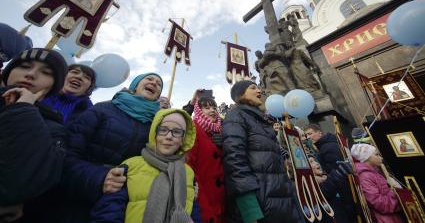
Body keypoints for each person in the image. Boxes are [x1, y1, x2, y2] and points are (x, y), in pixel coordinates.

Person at [63, 73, 163, 222]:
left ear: (157, 97)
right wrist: (99, 178)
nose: (154, 83)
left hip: (121, 207)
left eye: (159, 84)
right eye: (149, 79)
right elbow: (67, 154)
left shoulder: (156, 126)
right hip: (76, 199)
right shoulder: (103, 109)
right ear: (135, 86)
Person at [90, 108, 196, 222]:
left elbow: (193, 211)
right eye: (163, 130)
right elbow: (109, 210)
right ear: (154, 135)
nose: (169, 136)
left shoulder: (188, 173)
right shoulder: (131, 165)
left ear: (182, 140)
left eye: (177, 132)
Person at [0, 48, 68, 221]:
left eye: (46, 72)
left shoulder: (53, 129)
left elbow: (22, 184)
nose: (31, 74)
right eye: (24, 66)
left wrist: (23, 110)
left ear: (54, 85)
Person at [222, 80, 304, 223]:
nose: (259, 91)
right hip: (262, 203)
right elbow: (234, 160)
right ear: (240, 94)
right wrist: (250, 209)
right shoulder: (236, 116)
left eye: (259, 87)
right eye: (253, 88)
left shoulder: (262, 120)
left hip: (282, 198)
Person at [304, 123, 357, 222]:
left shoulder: (327, 148)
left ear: (319, 132)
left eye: (310, 133)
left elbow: (339, 175)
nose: (308, 137)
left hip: (343, 197)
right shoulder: (325, 146)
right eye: (306, 135)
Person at [188, 95, 226, 223]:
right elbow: (189, 169)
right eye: (207, 107)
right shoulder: (192, 129)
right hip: (203, 199)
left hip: (222, 200)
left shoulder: (222, 131)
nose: (213, 110)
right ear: (198, 111)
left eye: (214, 107)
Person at [351, 144, 404, 223]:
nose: (381, 158)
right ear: (367, 157)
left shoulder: (374, 172)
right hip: (384, 219)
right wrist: (395, 192)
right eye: (376, 155)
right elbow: (379, 203)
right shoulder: (365, 177)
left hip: (391, 217)